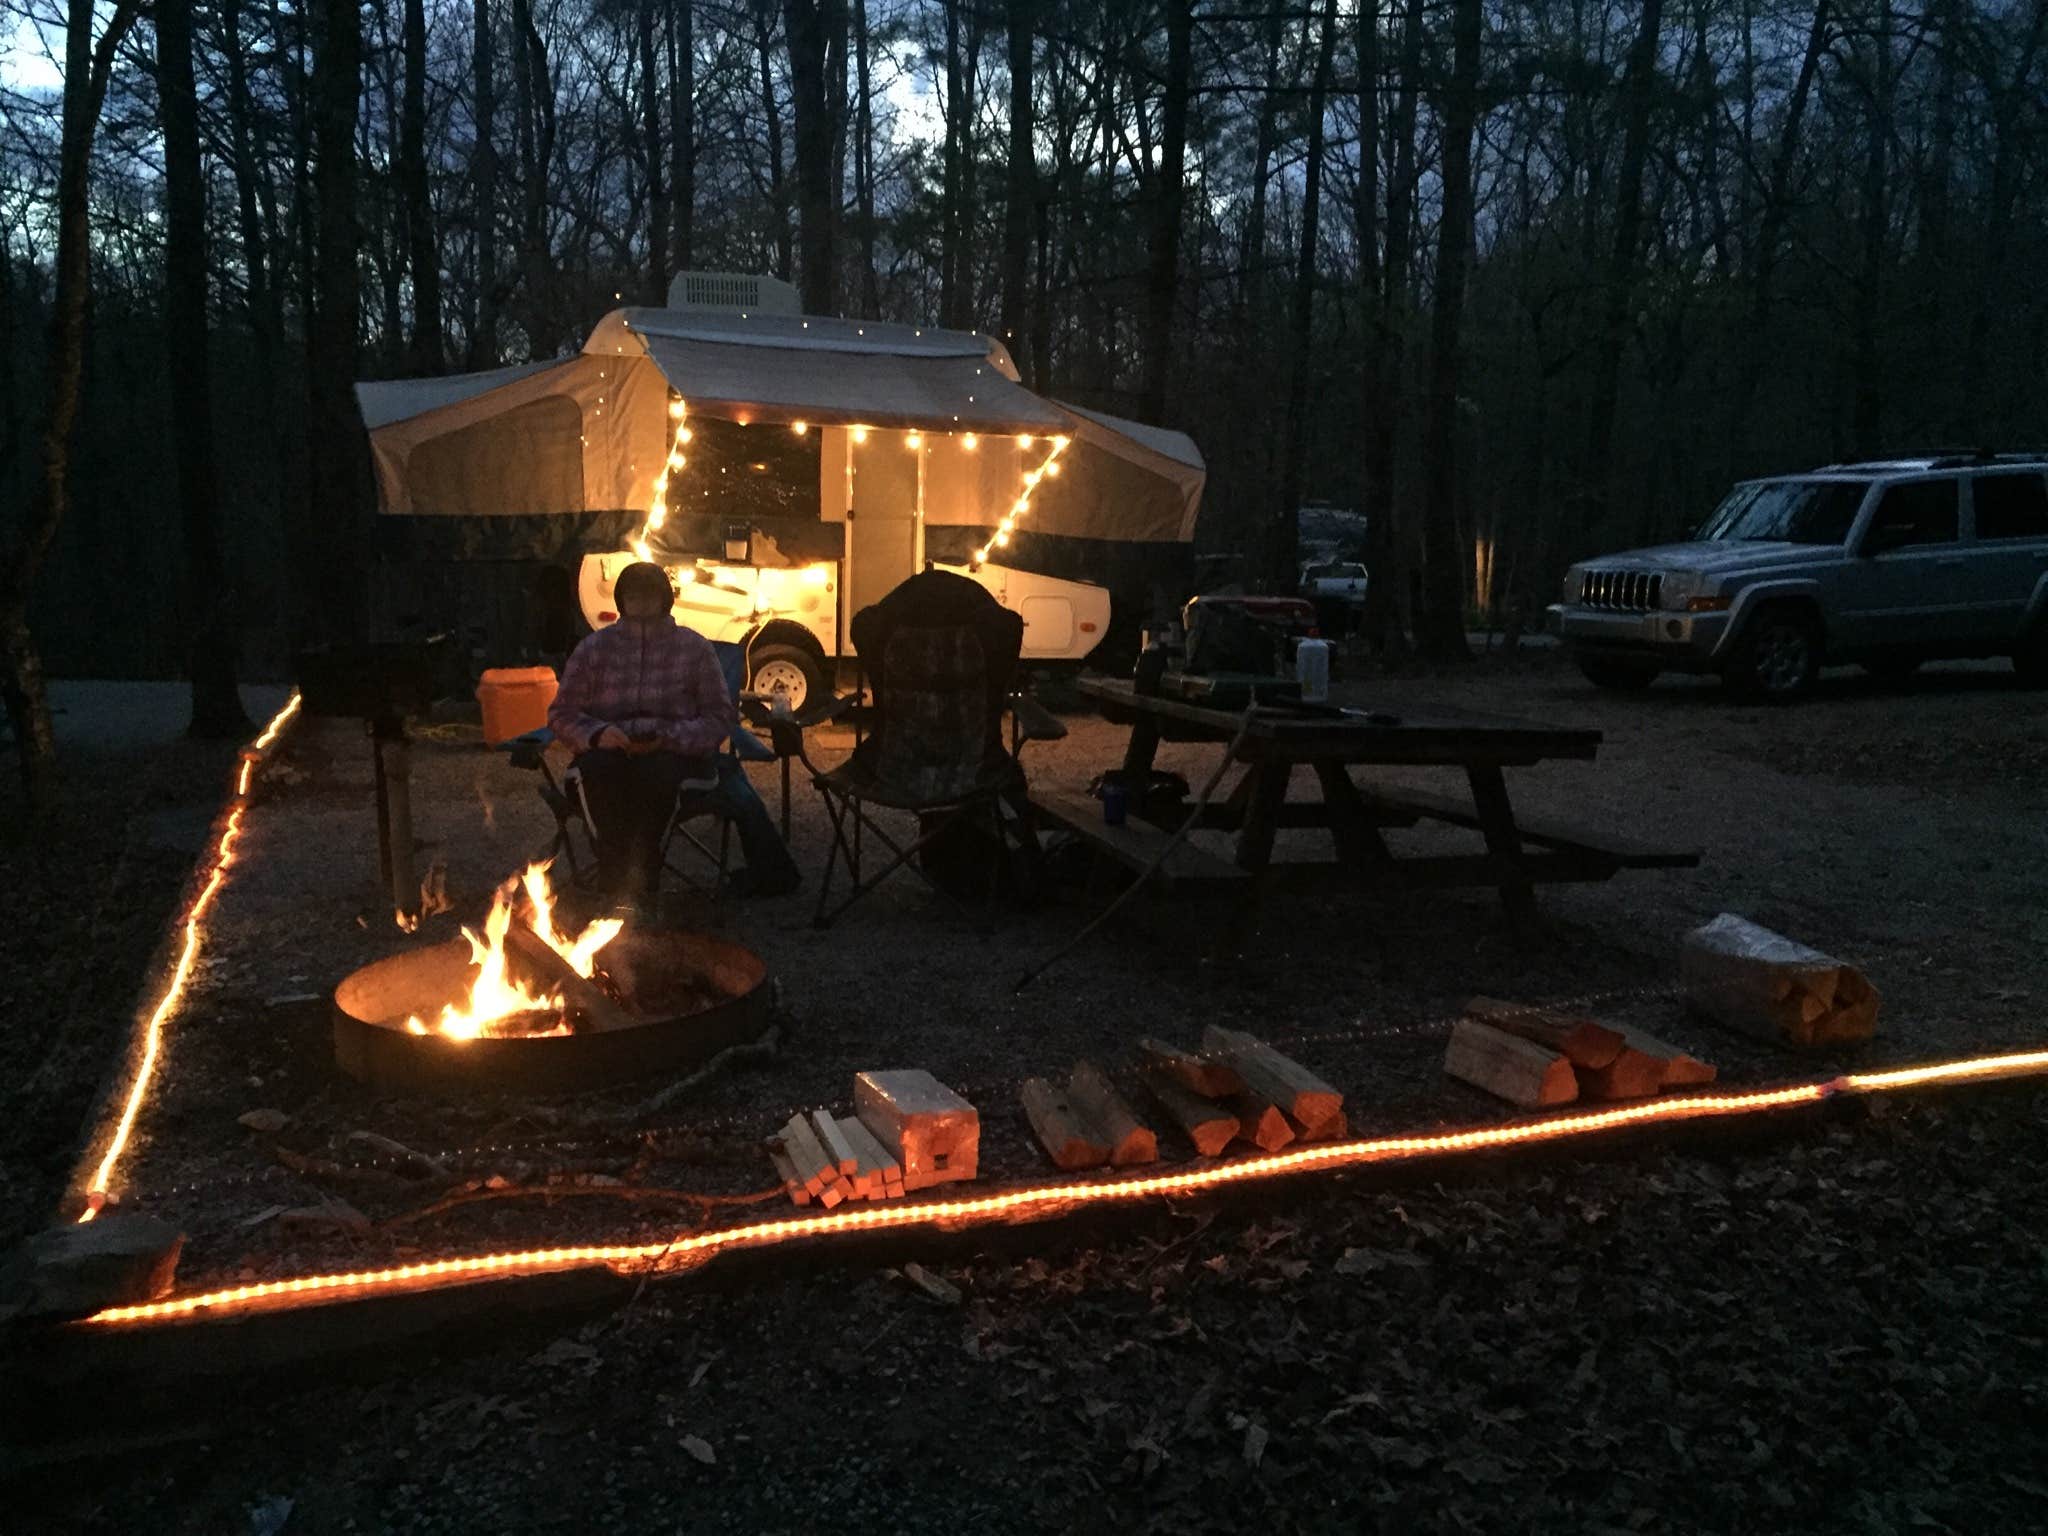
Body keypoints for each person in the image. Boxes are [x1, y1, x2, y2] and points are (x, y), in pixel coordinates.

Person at [547, 562, 801, 905]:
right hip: (608, 750)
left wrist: (671, 736)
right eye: (633, 595)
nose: (641, 602)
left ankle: (642, 875)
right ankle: (615, 871)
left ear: (665, 599)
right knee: (595, 775)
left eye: (649, 594)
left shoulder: (694, 649)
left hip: (674, 755)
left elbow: (719, 716)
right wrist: (597, 733)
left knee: (659, 777)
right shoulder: (593, 649)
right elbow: (562, 713)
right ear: (621, 599)